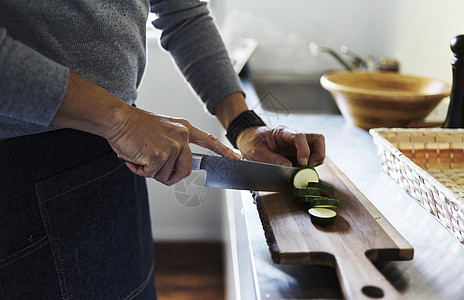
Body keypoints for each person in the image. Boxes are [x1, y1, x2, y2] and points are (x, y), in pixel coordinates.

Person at [0, 0, 325, 299]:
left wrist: (244, 125)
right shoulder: (116, 124)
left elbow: (182, 14)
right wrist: (120, 121)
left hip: (114, 157)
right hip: (26, 168)